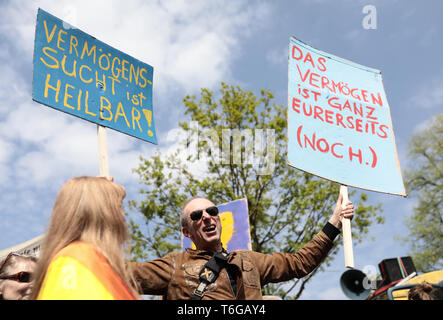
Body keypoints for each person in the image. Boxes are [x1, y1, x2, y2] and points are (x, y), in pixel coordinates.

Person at [132, 194, 354, 299]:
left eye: (212, 211)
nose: (207, 217)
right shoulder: (174, 265)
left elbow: (299, 263)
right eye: (197, 215)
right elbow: (120, 272)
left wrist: (334, 222)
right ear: (186, 232)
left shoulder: (248, 260)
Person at [30, 176, 140, 300]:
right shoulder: (77, 259)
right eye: (118, 208)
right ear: (98, 212)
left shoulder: (88, 261)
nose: (123, 217)